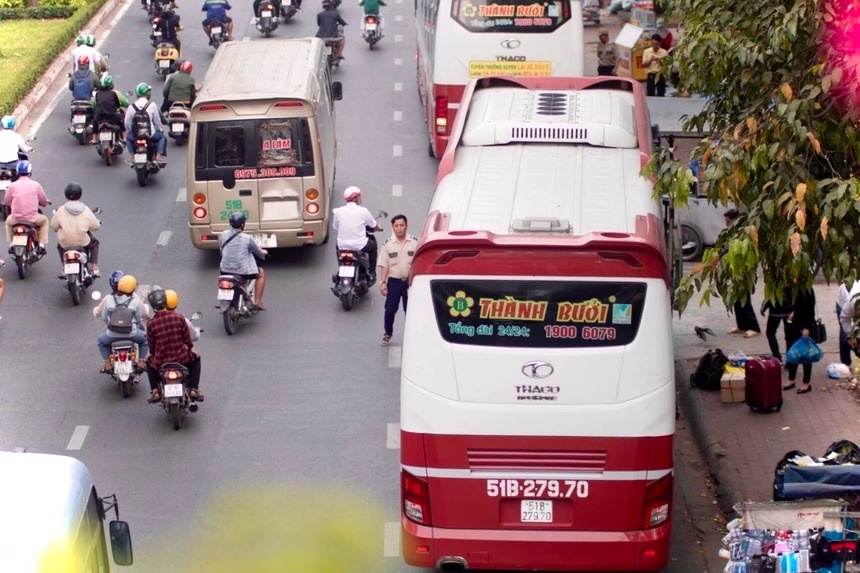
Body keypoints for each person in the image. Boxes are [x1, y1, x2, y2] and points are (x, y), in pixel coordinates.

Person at [145, 287, 203, 403]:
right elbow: (187, 339)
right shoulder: (179, 318)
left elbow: (152, 346)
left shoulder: (151, 323)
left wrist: (151, 355)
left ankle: (155, 391)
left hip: (161, 361)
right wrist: (191, 348)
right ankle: (193, 389)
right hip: (182, 358)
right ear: (166, 302)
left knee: (147, 362)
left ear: (153, 306)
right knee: (197, 359)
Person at [97, 274, 150, 373]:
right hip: (132, 334)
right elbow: (138, 319)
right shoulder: (135, 300)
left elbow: (104, 317)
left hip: (111, 335)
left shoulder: (109, 299)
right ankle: (141, 363)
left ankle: (107, 365)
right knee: (145, 340)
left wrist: (110, 325)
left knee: (101, 341)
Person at [378, 214, 417, 347]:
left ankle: (411, 335)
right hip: (393, 282)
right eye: (396, 226)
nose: (399, 228)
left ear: (406, 226)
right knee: (390, 310)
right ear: (393, 228)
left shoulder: (415, 242)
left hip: (410, 283)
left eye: (402, 225)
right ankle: (387, 334)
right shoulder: (387, 244)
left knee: (410, 310)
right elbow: (385, 265)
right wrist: (383, 282)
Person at [50, 183, 101, 278]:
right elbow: (95, 227)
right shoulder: (86, 209)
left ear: (66, 194)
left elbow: (53, 226)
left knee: (60, 246)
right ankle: (94, 268)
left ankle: (64, 267)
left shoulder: (61, 210)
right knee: (95, 243)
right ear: (80, 194)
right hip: (83, 242)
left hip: (65, 243)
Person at [723, 208, 761, 337]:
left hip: (744, 271)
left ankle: (754, 327)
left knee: (745, 299)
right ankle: (742, 326)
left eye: (728, 221)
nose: (726, 223)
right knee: (737, 299)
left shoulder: (742, 233)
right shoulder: (731, 232)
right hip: (735, 270)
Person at [219, 211, 267, 310]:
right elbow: (258, 252)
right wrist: (264, 253)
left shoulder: (223, 234)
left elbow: (221, 249)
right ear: (242, 224)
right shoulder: (247, 238)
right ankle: (257, 302)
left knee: (222, 271)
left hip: (224, 270)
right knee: (261, 273)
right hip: (242, 271)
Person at [332, 186, 381, 281]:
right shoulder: (363, 211)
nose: (361, 197)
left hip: (342, 246)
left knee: (337, 247)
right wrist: (379, 228)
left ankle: (341, 267)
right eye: (360, 196)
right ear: (355, 198)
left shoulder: (338, 211)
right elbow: (374, 226)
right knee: (373, 246)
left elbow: (335, 226)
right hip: (360, 246)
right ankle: (372, 272)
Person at [4, 160, 49, 254]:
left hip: (16, 218)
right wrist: (45, 203)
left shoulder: (12, 186)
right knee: (44, 221)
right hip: (32, 219)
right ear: (30, 172)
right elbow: (43, 200)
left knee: (8, 222)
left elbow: (7, 201)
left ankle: (11, 244)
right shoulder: (36, 185)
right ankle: (41, 245)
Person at [124, 82, 167, 162]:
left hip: (136, 135)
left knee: (128, 138)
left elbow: (126, 122)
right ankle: (158, 156)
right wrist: (160, 128)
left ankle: (132, 157)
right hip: (150, 134)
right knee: (162, 137)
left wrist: (130, 131)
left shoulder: (131, 106)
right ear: (148, 94)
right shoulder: (152, 105)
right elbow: (157, 120)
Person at [784, 288, 816, 394]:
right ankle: (791, 379)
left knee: (805, 355)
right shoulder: (793, 288)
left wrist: (807, 327)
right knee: (793, 353)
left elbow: (810, 310)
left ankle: (806, 383)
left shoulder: (807, 289)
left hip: (803, 327)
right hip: (793, 325)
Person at [91, 74, 128, 145]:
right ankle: (124, 137)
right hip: (112, 116)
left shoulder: (98, 94)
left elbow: (94, 105)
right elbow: (117, 105)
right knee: (121, 121)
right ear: (111, 85)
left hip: (100, 117)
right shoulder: (113, 93)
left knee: (95, 122)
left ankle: (94, 138)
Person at [761, 295, 793, 363]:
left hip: (775, 310)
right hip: (789, 311)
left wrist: (763, 307)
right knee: (790, 336)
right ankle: (790, 361)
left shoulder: (773, 283)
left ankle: (777, 357)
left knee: (770, 333)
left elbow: (769, 294)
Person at [836, 280, 860, 367]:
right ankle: (846, 364)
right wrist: (850, 336)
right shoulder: (853, 301)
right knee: (845, 335)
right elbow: (844, 318)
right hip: (843, 303)